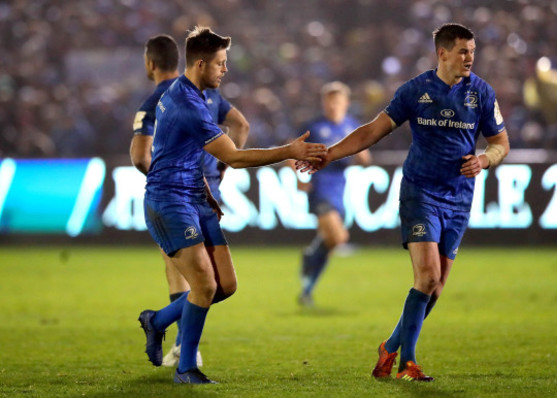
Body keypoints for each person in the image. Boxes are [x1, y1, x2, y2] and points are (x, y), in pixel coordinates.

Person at [297, 23, 509, 381]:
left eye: (472, 51)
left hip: (459, 198)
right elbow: (371, 131)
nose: (469, 58)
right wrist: (330, 154)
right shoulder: (415, 91)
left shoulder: (482, 93)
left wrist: (485, 159)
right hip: (420, 192)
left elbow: (500, 143)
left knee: (436, 288)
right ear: (442, 53)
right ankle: (407, 363)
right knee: (426, 277)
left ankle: (391, 345)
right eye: (462, 51)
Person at [137, 26, 326, 384]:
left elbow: (181, 150)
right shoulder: (188, 104)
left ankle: (157, 321)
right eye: (221, 64)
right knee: (204, 286)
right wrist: (289, 151)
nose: (225, 70)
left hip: (195, 195)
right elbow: (235, 158)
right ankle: (186, 367)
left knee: (225, 285)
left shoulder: (188, 93)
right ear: (200, 64)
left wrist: (207, 190)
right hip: (169, 199)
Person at [129, 34, 250, 369]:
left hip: (179, 195)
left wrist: (165, 180)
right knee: (207, 280)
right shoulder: (207, 95)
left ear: (151, 63)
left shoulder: (157, 100)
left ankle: (183, 347)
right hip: (207, 189)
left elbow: (140, 156)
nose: (224, 69)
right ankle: (181, 350)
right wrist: (220, 168)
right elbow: (241, 124)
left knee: (185, 276)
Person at [291, 81, 370, 306]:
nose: (333, 105)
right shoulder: (314, 127)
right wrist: (298, 178)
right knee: (338, 238)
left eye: (337, 100)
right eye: (329, 100)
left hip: (340, 191)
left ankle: (307, 288)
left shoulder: (352, 126)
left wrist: (363, 157)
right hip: (320, 189)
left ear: (346, 103)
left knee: (331, 243)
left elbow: (364, 157)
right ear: (323, 102)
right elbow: (290, 153)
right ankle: (311, 259)